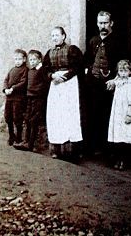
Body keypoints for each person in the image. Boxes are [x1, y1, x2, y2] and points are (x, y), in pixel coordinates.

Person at [43, 26, 84, 161]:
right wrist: (52, 76)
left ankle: (72, 152)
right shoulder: (49, 53)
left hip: (69, 84)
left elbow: (78, 67)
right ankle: (56, 149)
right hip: (55, 85)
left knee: (69, 114)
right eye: (52, 36)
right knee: (55, 114)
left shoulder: (72, 50)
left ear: (63, 36)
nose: (55, 38)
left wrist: (65, 77)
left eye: (57, 35)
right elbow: (45, 70)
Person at [84, 10, 123, 156]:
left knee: (107, 116)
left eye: (106, 23)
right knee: (92, 114)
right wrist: (88, 71)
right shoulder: (93, 40)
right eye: (100, 23)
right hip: (93, 83)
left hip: (110, 84)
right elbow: (87, 58)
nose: (103, 26)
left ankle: (108, 151)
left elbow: (124, 62)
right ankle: (93, 148)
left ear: (111, 23)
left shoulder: (118, 41)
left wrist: (115, 78)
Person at [106, 59, 131, 169]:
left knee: (127, 137)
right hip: (118, 113)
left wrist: (129, 114)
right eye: (121, 71)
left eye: (126, 71)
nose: (123, 73)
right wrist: (113, 82)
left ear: (130, 72)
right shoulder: (119, 83)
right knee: (119, 136)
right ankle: (118, 159)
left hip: (127, 113)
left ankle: (125, 161)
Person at [14, 49, 48, 152]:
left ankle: (32, 143)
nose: (32, 62)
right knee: (27, 119)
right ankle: (25, 141)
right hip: (29, 97)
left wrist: (40, 94)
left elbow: (45, 84)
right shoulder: (30, 70)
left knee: (34, 121)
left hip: (38, 99)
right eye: (30, 60)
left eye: (34, 60)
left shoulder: (42, 70)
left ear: (39, 60)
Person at [3, 49, 28, 145]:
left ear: (24, 59)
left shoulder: (25, 70)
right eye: (16, 59)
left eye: (19, 59)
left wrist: (13, 88)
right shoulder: (12, 70)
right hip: (9, 97)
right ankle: (11, 135)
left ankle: (18, 137)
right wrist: (5, 89)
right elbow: (6, 80)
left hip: (18, 98)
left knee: (17, 117)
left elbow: (23, 82)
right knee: (8, 116)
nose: (17, 61)